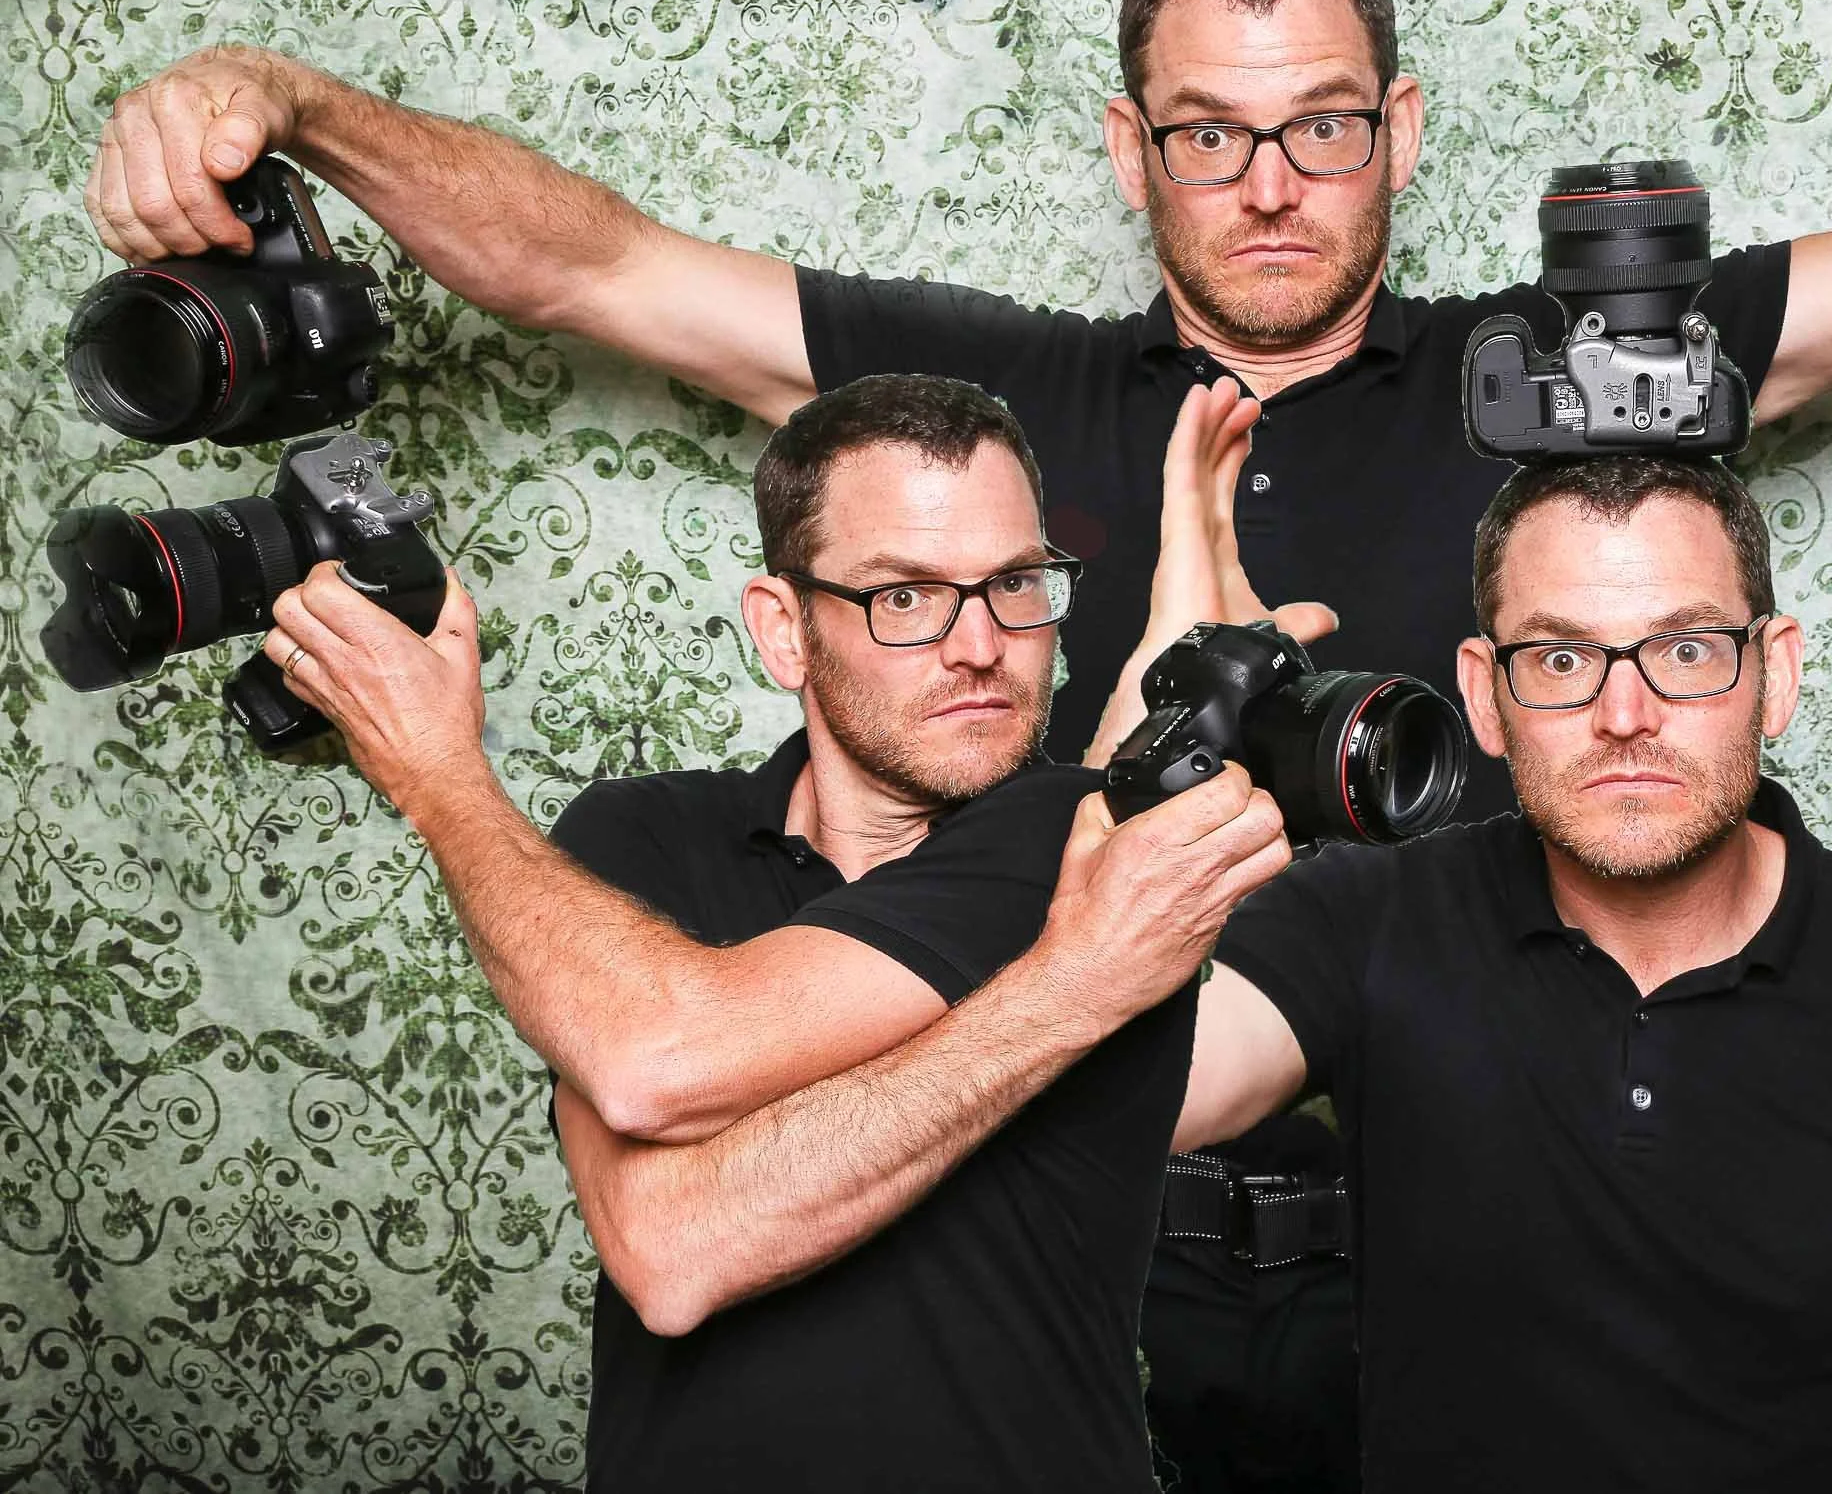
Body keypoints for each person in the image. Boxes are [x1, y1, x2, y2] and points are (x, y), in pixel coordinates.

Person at [91, 0, 1832, 1488]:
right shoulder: (982, 395)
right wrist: (290, 97)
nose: (1267, 180)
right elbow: (588, 262)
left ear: (1396, 124)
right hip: (1082, 1241)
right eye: (1207, 129)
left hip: (1472, 1255)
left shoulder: (1578, 381)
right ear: (1133, 150)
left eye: (1316, 125)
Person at [256, 371, 1295, 1492]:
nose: (980, 646)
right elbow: (664, 1242)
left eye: (1015, 584)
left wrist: (440, 774)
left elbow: (659, 1084)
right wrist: (1068, 984)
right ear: (783, 629)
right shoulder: (636, 838)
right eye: (903, 596)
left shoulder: (1071, 840)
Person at [1172, 450, 1832, 1491]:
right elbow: (1123, 1105)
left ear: (1775, 673)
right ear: (1485, 694)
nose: (1623, 715)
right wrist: (1141, 766)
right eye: (1561, 660)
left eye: (1687, 648)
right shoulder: (1365, 915)